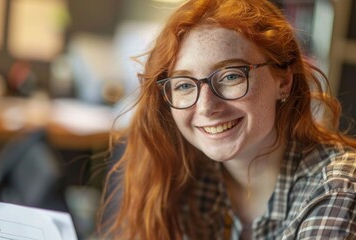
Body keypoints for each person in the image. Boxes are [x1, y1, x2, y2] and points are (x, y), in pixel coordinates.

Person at [98, 0, 356, 239]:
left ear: (284, 81)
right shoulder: (185, 175)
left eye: (231, 76)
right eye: (184, 85)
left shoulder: (337, 188)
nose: (207, 107)